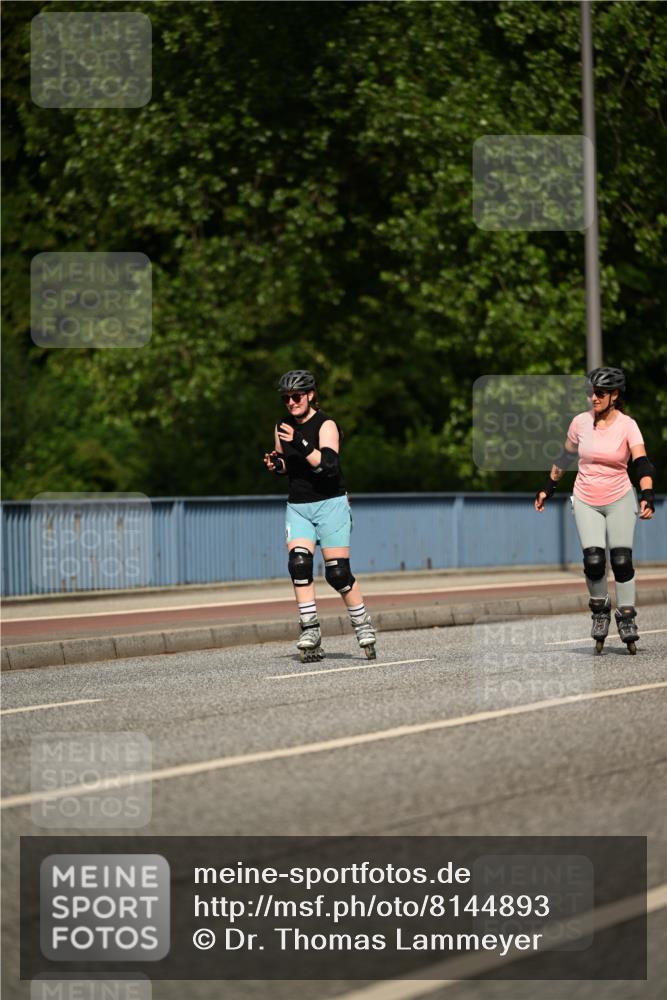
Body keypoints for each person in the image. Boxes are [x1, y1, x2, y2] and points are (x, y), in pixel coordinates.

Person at [534, 366, 656, 654]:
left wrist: (647, 494)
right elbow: (564, 456)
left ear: (615, 395)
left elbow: (642, 463)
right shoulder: (579, 423)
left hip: (620, 498)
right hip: (586, 497)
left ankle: (626, 617)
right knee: (594, 560)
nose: (593, 398)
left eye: (600, 393)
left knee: (622, 560)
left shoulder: (628, 425)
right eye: (591, 393)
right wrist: (547, 487)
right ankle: (600, 609)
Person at [263, 370, 377, 662]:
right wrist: (276, 465)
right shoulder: (282, 426)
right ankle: (310, 629)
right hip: (299, 505)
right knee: (299, 564)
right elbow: (289, 464)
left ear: (311, 395)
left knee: (337, 572)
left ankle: (362, 623)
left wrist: (300, 442)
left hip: (331, 504)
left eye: (296, 396)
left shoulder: (326, 424)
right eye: (286, 398)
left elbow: (328, 465)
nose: (291, 402)